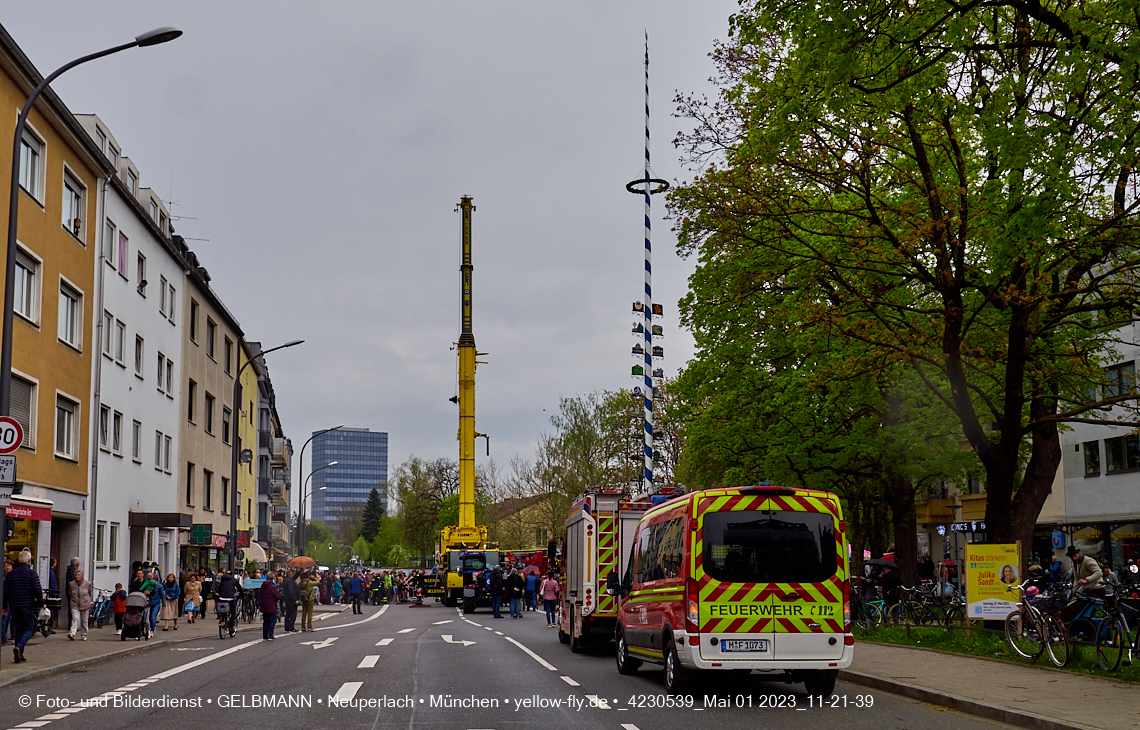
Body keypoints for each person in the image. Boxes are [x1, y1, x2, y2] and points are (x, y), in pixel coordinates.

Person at [4, 549, 42, 663]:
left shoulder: (11, 574)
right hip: (27, 605)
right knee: (30, 628)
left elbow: (5, 591)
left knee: (19, 629)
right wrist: (42, 603)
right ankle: (19, 647)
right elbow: (37, 590)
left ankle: (19, 654)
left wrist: (4, 606)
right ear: (29, 561)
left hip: (14, 605)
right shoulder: (31, 573)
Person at [260, 572, 281, 640]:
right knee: (273, 620)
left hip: (264, 605)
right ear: (272, 578)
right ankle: (270, 634)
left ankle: (265, 635)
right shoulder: (272, 586)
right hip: (271, 605)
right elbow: (278, 596)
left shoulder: (263, 585)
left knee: (266, 621)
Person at [1, 559, 12, 645]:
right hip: (6, 601)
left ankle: (4, 636)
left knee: (8, 619)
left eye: (9, 565)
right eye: (6, 566)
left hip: (10, 600)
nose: (7, 567)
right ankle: (3, 637)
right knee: (4, 619)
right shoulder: (4, 577)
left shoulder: (11, 576)